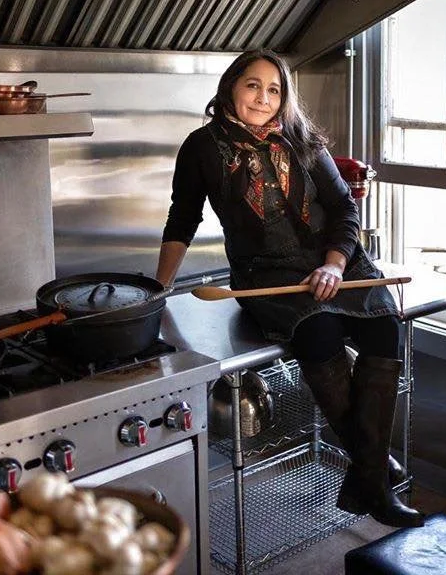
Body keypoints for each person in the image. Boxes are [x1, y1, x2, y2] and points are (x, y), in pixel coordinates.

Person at [156, 49, 424, 528]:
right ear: (231, 88)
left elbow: (345, 209)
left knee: (385, 330)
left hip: (338, 263)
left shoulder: (302, 140)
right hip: (268, 276)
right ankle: (376, 477)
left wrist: (335, 265)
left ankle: (367, 470)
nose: (263, 98)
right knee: (319, 339)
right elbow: (182, 218)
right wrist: (159, 289)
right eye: (253, 85)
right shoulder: (201, 147)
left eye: (274, 89)